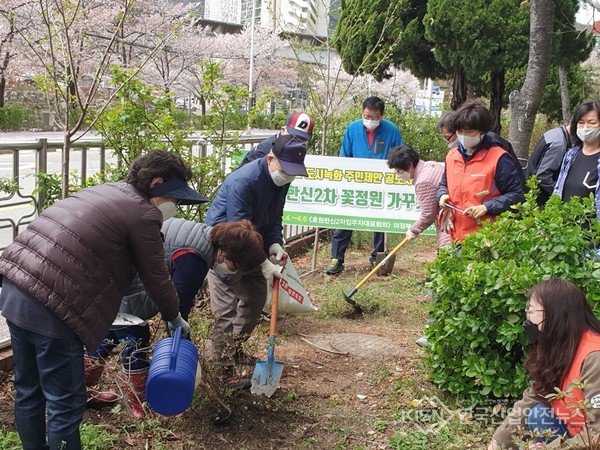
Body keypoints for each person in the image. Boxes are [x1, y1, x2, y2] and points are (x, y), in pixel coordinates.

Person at [0, 150, 206, 450]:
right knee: (65, 404)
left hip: (16, 292)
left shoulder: (106, 192)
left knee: (29, 390)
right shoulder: (143, 213)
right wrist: (174, 316)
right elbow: (156, 276)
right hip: (52, 309)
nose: (174, 206)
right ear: (156, 182)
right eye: (173, 199)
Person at [88, 218, 265, 418]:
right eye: (237, 266)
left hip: (116, 274)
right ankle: (141, 404)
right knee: (136, 338)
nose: (235, 272)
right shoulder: (195, 258)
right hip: (127, 282)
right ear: (225, 253)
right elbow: (177, 307)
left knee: (111, 333)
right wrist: (184, 348)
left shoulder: (205, 238)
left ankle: (82, 390)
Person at [204, 134, 308, 368]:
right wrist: (264, 263)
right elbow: (238, 231)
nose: (289, 176)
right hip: (226, 250)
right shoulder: (245, 180)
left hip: (254, 246)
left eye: (294, 171)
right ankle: (221, 367)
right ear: (271, 158)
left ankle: (235, 350)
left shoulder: (282, 180)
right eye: (286, 169)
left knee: (255, 299)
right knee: (226, 311)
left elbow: (274, 217)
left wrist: (275, 243)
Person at [488, 278, 600, 449]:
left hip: (588, 440)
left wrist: (552, 448)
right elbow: (534, 396)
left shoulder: (594, 358)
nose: (528, 318)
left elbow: (597, 433)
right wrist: (499, 441)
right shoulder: (561, 345)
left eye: (532, 311)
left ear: (554, 315)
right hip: (573, 433)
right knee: (537, 414)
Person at [326, 96, 403, 274]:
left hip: (381, 186)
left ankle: (377, 259)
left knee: (380, 222)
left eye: (374, 117)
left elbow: (399, 156)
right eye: (367, 116)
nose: (370, 120)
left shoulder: (392, 131)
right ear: (362, 113)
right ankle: (336, 259)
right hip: (355, 184)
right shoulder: (352, 129)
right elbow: (344, 155)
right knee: (345, 219)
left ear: (381, 115)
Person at [437, 99, 525, 242]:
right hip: (456, 236)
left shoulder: (499, 158)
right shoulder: (452, 156)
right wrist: (442, 195)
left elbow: (517, 194)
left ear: (482, 132)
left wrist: (487, 207)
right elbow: (443, 184)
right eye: (460, 131)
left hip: (487, 239)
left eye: (469, 132)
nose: (463, 136)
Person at [387, 145, 451, 248]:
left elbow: (428, 215)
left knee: (450, 258)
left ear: (410, 165)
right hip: (457, 218)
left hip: (450, 224)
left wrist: (413, 230)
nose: (397, 174)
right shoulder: (430, 165)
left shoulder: (423, 182)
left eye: (398, 171)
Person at [553, 100, 600, 221]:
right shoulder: (570, 155)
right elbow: (558, 192)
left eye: (592, 122)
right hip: (566, 234)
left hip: (592, 236)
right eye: (581, 122)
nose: (585, 127)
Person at [239, 112, 315, 167]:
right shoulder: (264, 151)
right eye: (294, 136)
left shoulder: (294, 151)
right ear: (283, 130)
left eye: (303, 139)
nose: (297, 141)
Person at [526, 124, 572, 205]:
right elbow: (543, 176)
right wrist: (560, 195)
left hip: (530, 186)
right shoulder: (559, 145)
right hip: (538, 198)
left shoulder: (555, 132)